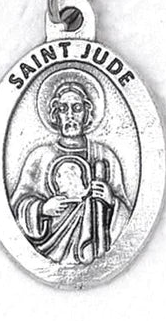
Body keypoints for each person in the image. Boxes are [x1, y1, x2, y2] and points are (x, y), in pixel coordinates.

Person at [10, 80, 131, 265]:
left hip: (93, 251)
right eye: (63, 109)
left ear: (87, 114)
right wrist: (42, 209)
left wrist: (111, 201)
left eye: (77, 108)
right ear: (55, 115)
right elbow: (16, 208)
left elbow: (128, 217)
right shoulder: (39, 157)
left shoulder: (104, 156)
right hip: (48, 248)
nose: (70, 116)